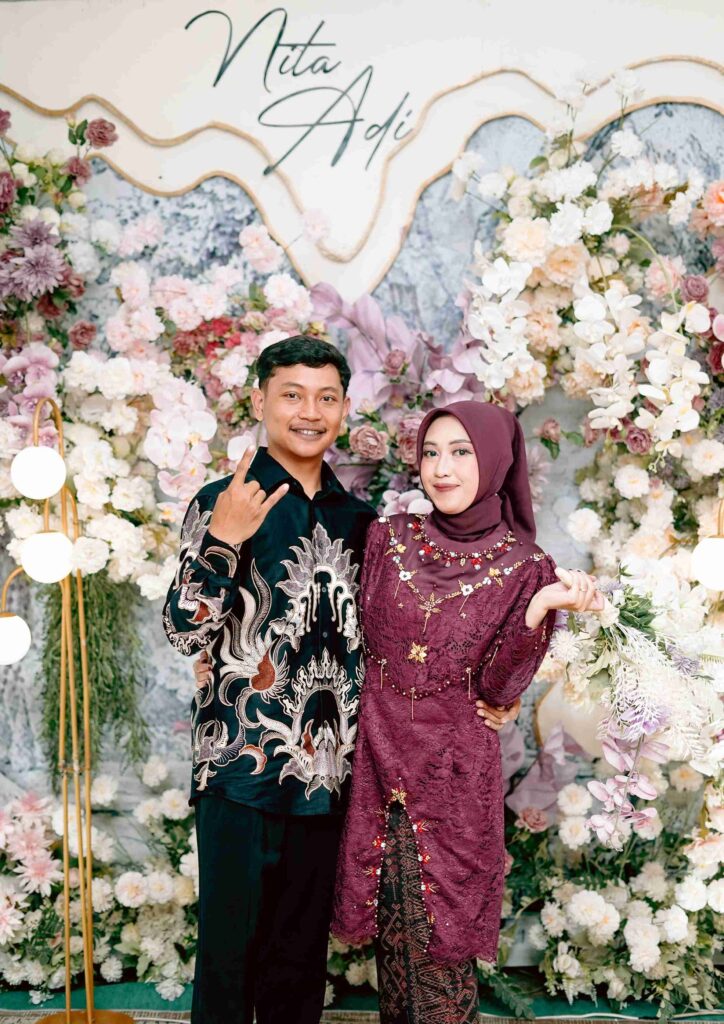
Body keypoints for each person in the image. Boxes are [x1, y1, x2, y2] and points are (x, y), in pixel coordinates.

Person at [330, 401, 602, 1024]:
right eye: (431, 452)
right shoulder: (387, 538)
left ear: (497, 461)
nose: (441, 469)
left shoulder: (525, 566)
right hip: (376, 760)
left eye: (461, 453)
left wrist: (539, 610)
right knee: (394, 939)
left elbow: (498, 691)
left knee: (439, 944)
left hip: (452, 773)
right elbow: (348, 639)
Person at [161, 337, 379, 1024]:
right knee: (227, 968)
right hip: (239, 771)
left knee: (299, 972)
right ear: (260, 401)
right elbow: (185, 633)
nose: (309, 412)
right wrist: (223, 540)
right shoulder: (221, 501)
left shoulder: (360, 521)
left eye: (326, 397)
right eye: (292, 394)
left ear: (344, 408)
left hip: (326, 779)